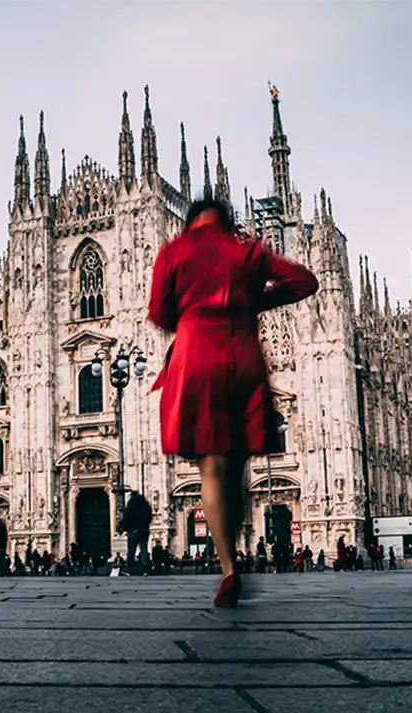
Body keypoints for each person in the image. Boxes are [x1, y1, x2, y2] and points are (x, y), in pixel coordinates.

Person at [147, 197, 318, 607]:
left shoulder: (175, 250)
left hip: (195, 356)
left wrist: (190, 315)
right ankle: (240, 537)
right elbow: (305, 281)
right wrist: (253, 300)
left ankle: (228, 569)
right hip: (240, 356)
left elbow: (158, 312)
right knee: (237, 459)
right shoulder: (246, 249)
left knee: (211, 464)